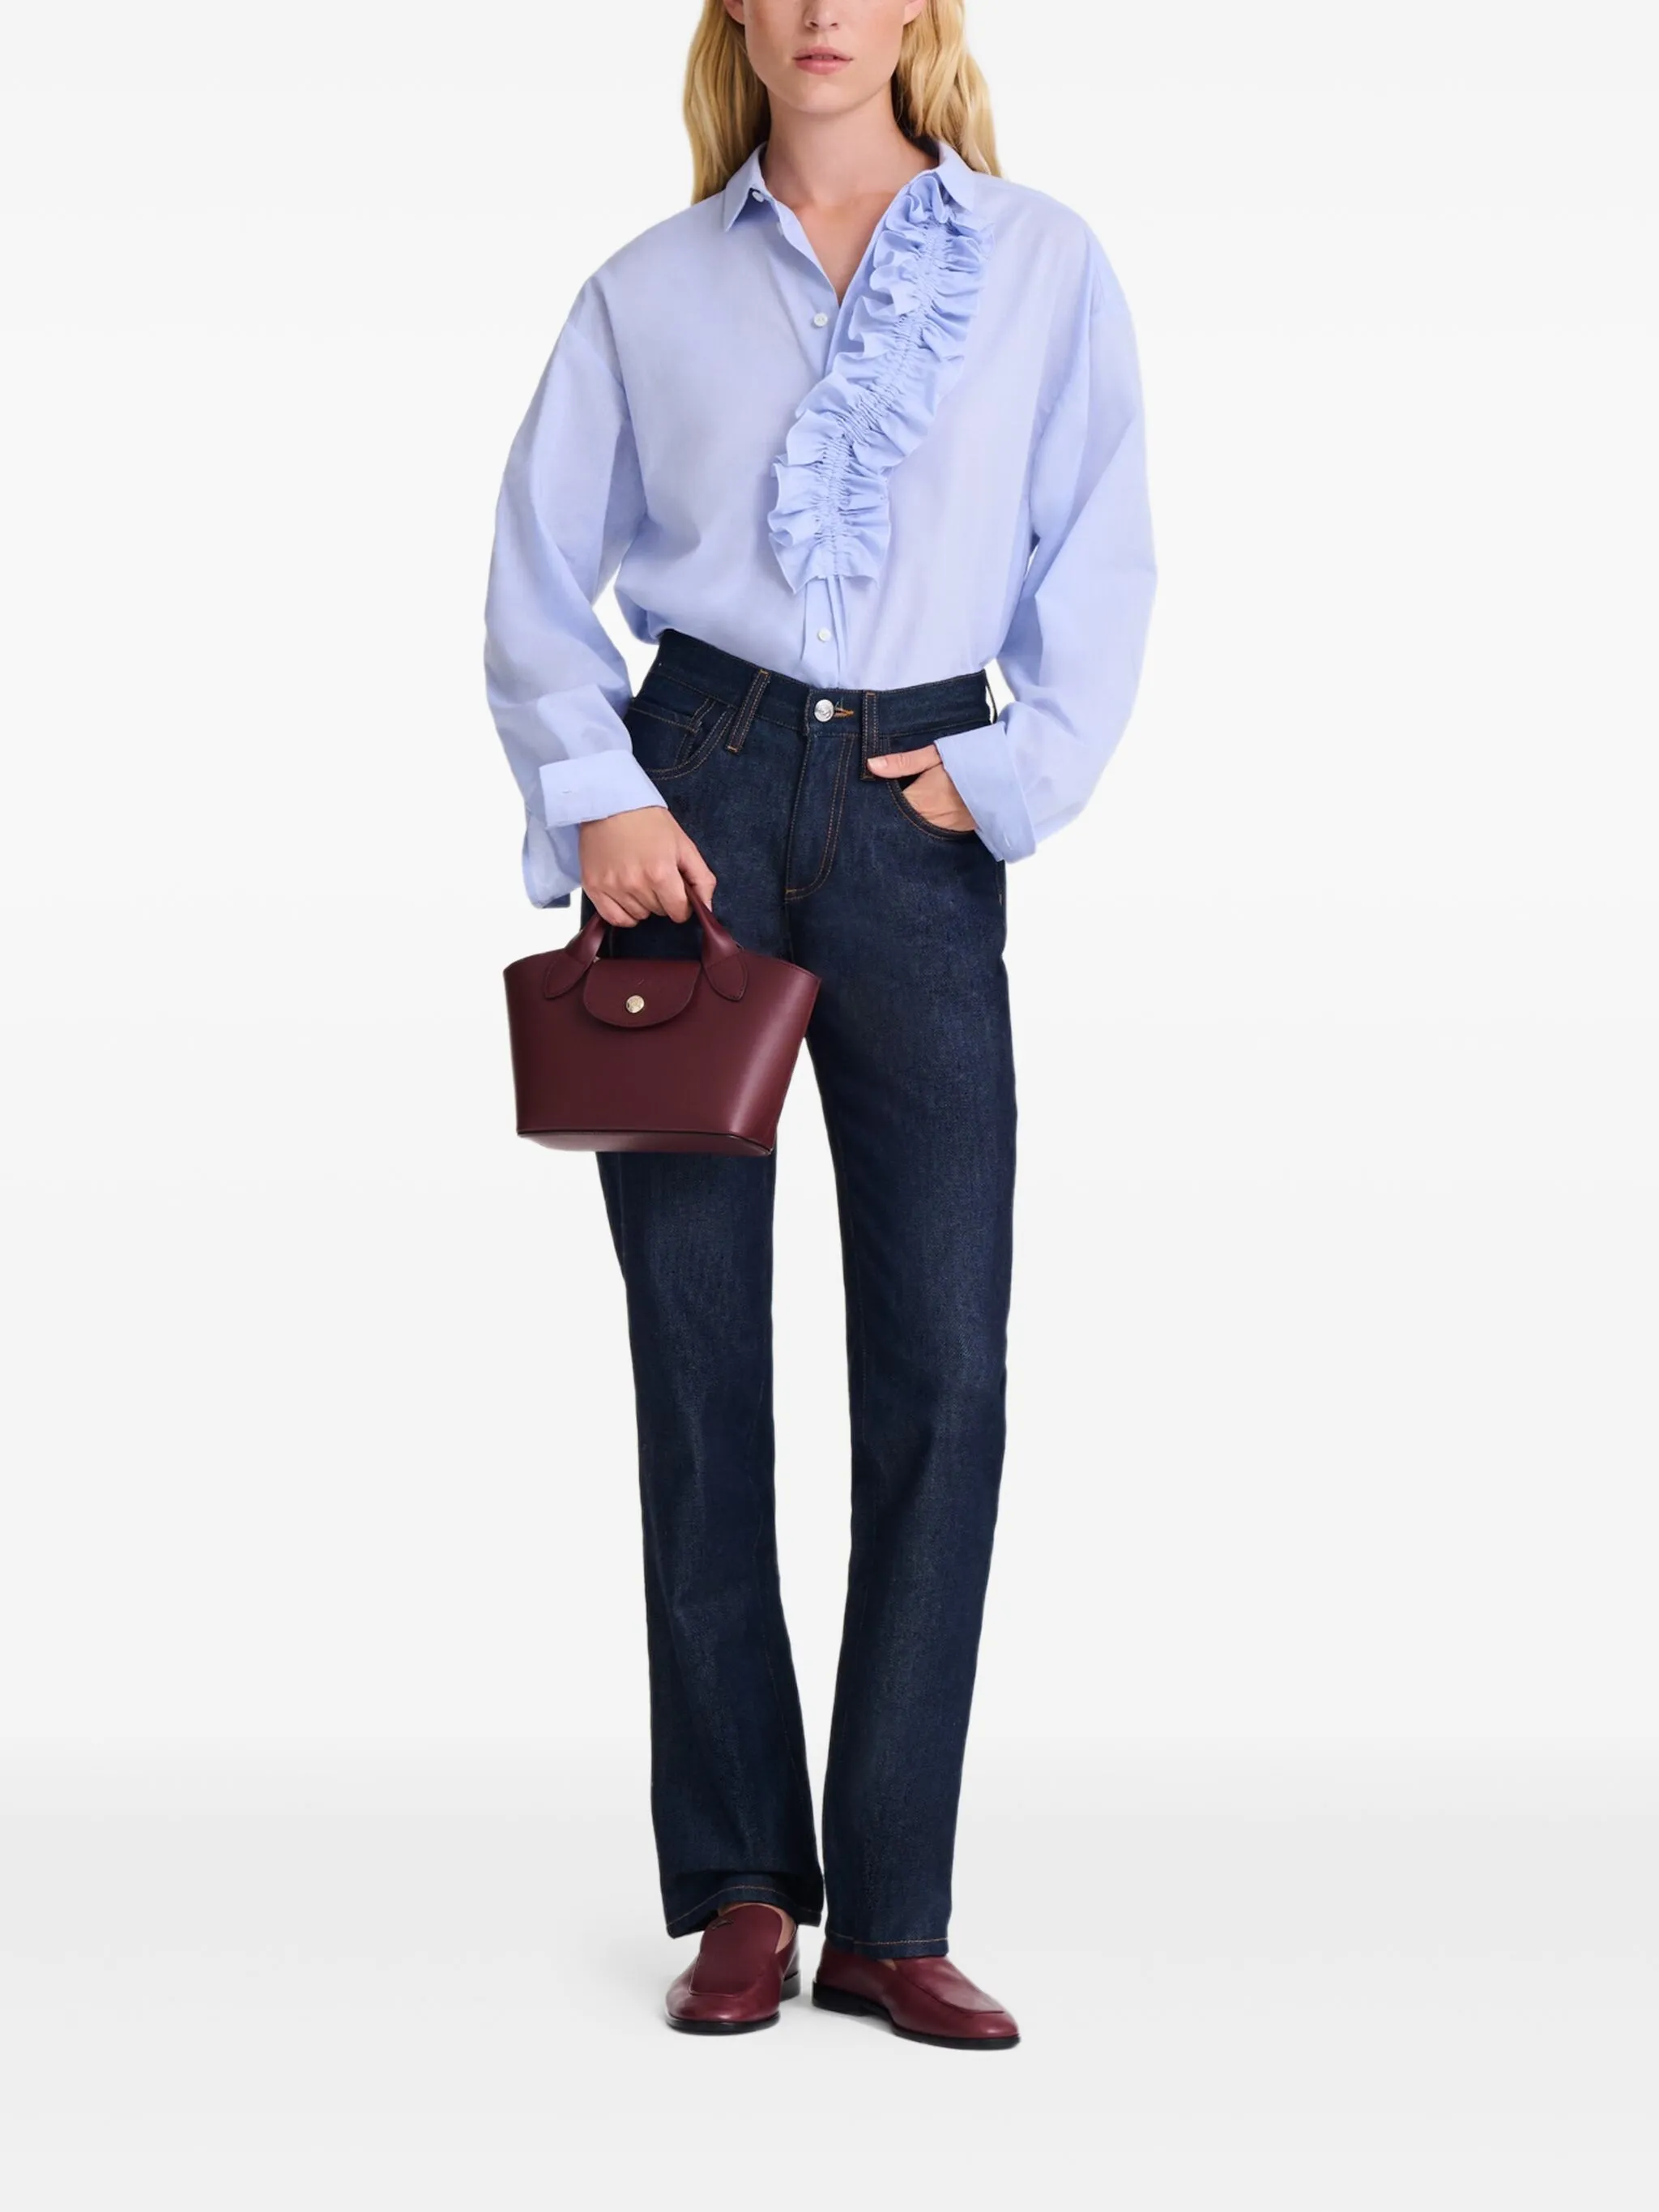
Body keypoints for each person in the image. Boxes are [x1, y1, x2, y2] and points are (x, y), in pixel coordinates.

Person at [482, 0, 1155, 2048]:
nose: (820, 10)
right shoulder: (645, 289)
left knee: (944, 1363)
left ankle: (894, 1906)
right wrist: (598, 792)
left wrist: (1008, 774)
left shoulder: (1040, 263)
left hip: (917, 812)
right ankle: (742, 1888)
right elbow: (535, 571)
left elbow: (1101, 551)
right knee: (696, 1360)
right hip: (688, 804)